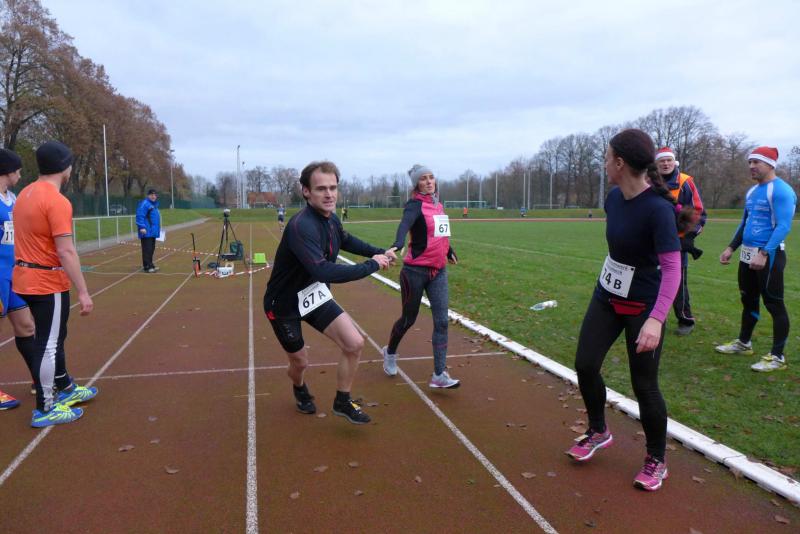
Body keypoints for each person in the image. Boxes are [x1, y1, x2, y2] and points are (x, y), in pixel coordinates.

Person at [565, 129, 681, 492]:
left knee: (644, 384)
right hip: (607, 295)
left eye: (606, 159)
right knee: (585, 364)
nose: (603, 165)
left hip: (643, 306)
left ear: (619, 163)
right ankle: (598, 430)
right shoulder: (613, 199)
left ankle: (656, 459)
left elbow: (673, 270)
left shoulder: (659, 210)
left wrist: (656, 320)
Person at [263, 161, 395, 424]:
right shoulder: (302, 226)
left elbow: (346, 240)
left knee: (354, 343)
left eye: (333, 188)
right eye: (321, 188)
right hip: (284, 304)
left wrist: (378, 251)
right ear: (306, 191)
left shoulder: (331, 218)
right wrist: (372, 265)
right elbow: (323, 270)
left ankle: (342, 401)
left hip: (314, 295)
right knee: (300, 362)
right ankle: (299, 387)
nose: (329, 194)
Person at [13, 141, 97, 427]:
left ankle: (65, 386)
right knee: (48, 344)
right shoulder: (56, 201)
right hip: (46, 280)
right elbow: (66, 250)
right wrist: (83, 291)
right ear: (64, 167)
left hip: (26, 277)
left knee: (53, 337)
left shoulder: (25, 194)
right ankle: (46, 407)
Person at [715, 146, 796, 372]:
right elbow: (745, 223)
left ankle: (777, 357)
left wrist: (764, 253)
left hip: (769, 256)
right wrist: (731, 247)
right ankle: (744, 343)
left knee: (774, 304)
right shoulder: (752, 192)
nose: (751, 166)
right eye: (749, 162)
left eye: (756, 162)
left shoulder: (781, 190)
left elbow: (783, 226)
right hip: (748, 253)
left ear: (770, 164)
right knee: (748, 300)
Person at [382, 164, 459, 388]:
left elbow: (440, 234)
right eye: (423, 178)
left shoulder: (439, 205)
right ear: (417, 184)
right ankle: (390, 352)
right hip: (414, 272)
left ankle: (439, 375)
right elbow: (404, 225)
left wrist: (449, 250)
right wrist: (397, 244)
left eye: (431, 177)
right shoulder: (414, 205)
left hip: (438, 272)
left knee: (442, 322)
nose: (428, 181)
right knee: (408, 319)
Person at [654, 147, 707, 336]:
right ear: (656, 164)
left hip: (677, 244)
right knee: (651, 281)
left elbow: (698, 213)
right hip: (653, 242)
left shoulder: (685, 182)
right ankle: (654, 318)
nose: (665, 163)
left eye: (668, 160)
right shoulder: (649, 181)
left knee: (677, 284)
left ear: (674, 162)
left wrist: (687, 238)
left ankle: (685, 319)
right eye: (662, 161)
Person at [0, 148, 37, 411]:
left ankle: (40, 379)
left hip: (12, 275)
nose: (20, 175)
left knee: (26, 326)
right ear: (7, 171)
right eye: (18, 170)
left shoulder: (11, 198)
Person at [136, 188, 161, 273]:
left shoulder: (154, 205)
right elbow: (140, 215)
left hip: (152, 231)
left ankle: (150, 264)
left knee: (151, 249)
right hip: (146, 231)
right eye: (151, 195)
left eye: (155, 195)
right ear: (148, 195)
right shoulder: (145, 204)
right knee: (147, 249)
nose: (153, 196)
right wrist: (142, 227)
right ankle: (147, 266)